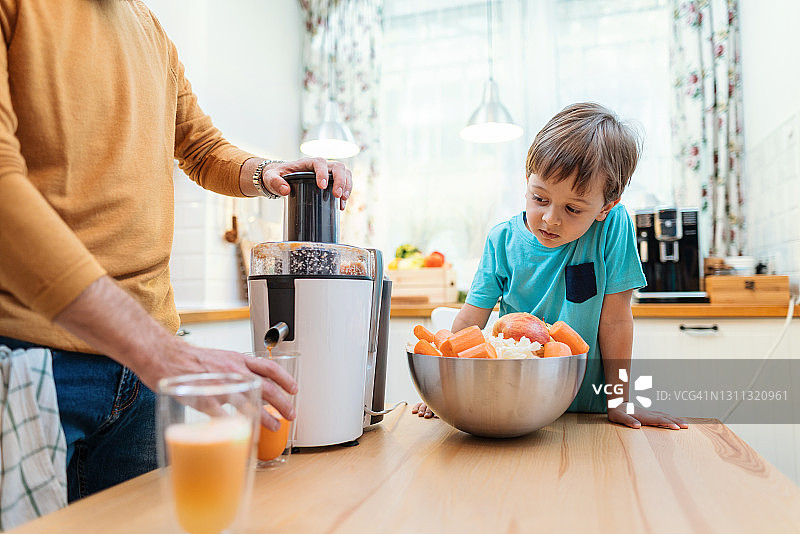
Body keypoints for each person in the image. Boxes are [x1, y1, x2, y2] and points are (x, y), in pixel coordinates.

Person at [0, 0, 352, 501]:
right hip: (34, 356)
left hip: (144, 379)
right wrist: (160, 351)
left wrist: (268, 172)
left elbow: (201, 147)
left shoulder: (148, 28)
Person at [412, 103, 687, 430]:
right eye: (539, 199)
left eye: (573, 209)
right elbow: (472, 318)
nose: (550, 219)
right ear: (526, 181)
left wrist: (619, 401)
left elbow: (615, 321)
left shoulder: (613, 227)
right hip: (514, 404)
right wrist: (445, 387)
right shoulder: (501, 241)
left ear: (605, 207)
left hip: (587, 411)